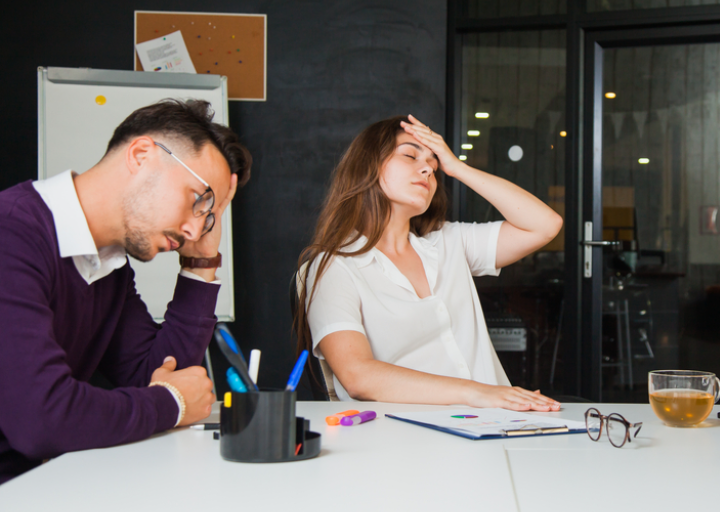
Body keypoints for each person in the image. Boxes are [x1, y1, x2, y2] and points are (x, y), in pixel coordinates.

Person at [0, 99, 251, 484]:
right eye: (197, 201)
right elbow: (41, 418)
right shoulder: (11, 233)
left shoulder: (108, 266)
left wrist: (201, 261)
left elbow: (154, 376)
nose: (193, 230)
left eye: (208, 218)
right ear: (141, 155)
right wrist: (171, 403)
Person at [295, 115, 563, 411]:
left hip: (500, 422)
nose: (427, 169)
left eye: (434, 167)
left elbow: (545, 225)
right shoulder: (336, 267)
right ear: (367, 165)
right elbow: (358, 376)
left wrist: (457, 167)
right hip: (407, 433)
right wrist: (476, 393)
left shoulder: (450, 242)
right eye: (410, 156)